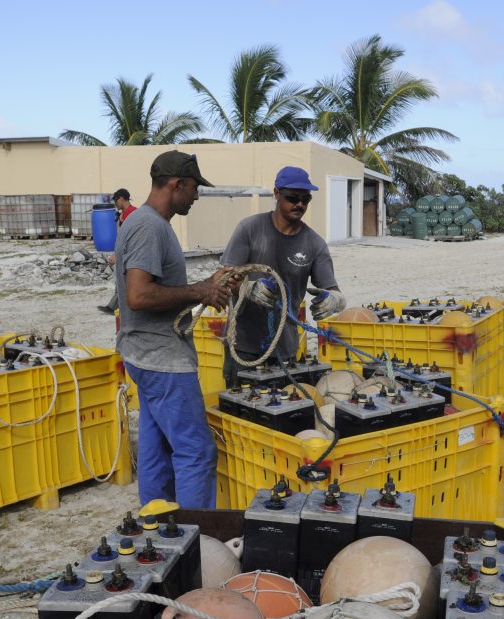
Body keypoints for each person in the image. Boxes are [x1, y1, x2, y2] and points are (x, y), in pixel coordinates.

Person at [116, 150, 235, 509]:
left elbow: (156, 290)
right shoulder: (150, 226)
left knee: (156, 451)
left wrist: (205, 284)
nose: (197, 196)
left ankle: (158, 530)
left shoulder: (142, 223)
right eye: (195, 187)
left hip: (144, 357)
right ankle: (201, 545)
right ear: (177, 184)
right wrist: (201, 291)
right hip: (163, 361)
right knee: (196, 452)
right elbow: (139, 295)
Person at [221, 166, 346, 386]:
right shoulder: (249, 229)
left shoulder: (314, 244)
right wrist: (247, 289)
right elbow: (225, 276)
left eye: (305, 199)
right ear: (276, 194)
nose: (299, 204)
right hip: (243, 345)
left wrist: (335, 299)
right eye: (292, 198)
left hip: (285, 348)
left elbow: (331, 288)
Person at [98, 189, 137, 314]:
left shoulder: (133, 213)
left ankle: (113, 307)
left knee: (124, 281)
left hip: (130, 253)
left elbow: (129, 237)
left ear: (121, 199)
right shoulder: (123, 214)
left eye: (116, 200)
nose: (115, 204)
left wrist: (118, 254)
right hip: (123, 253)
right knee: (121, 280)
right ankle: (116, 306)